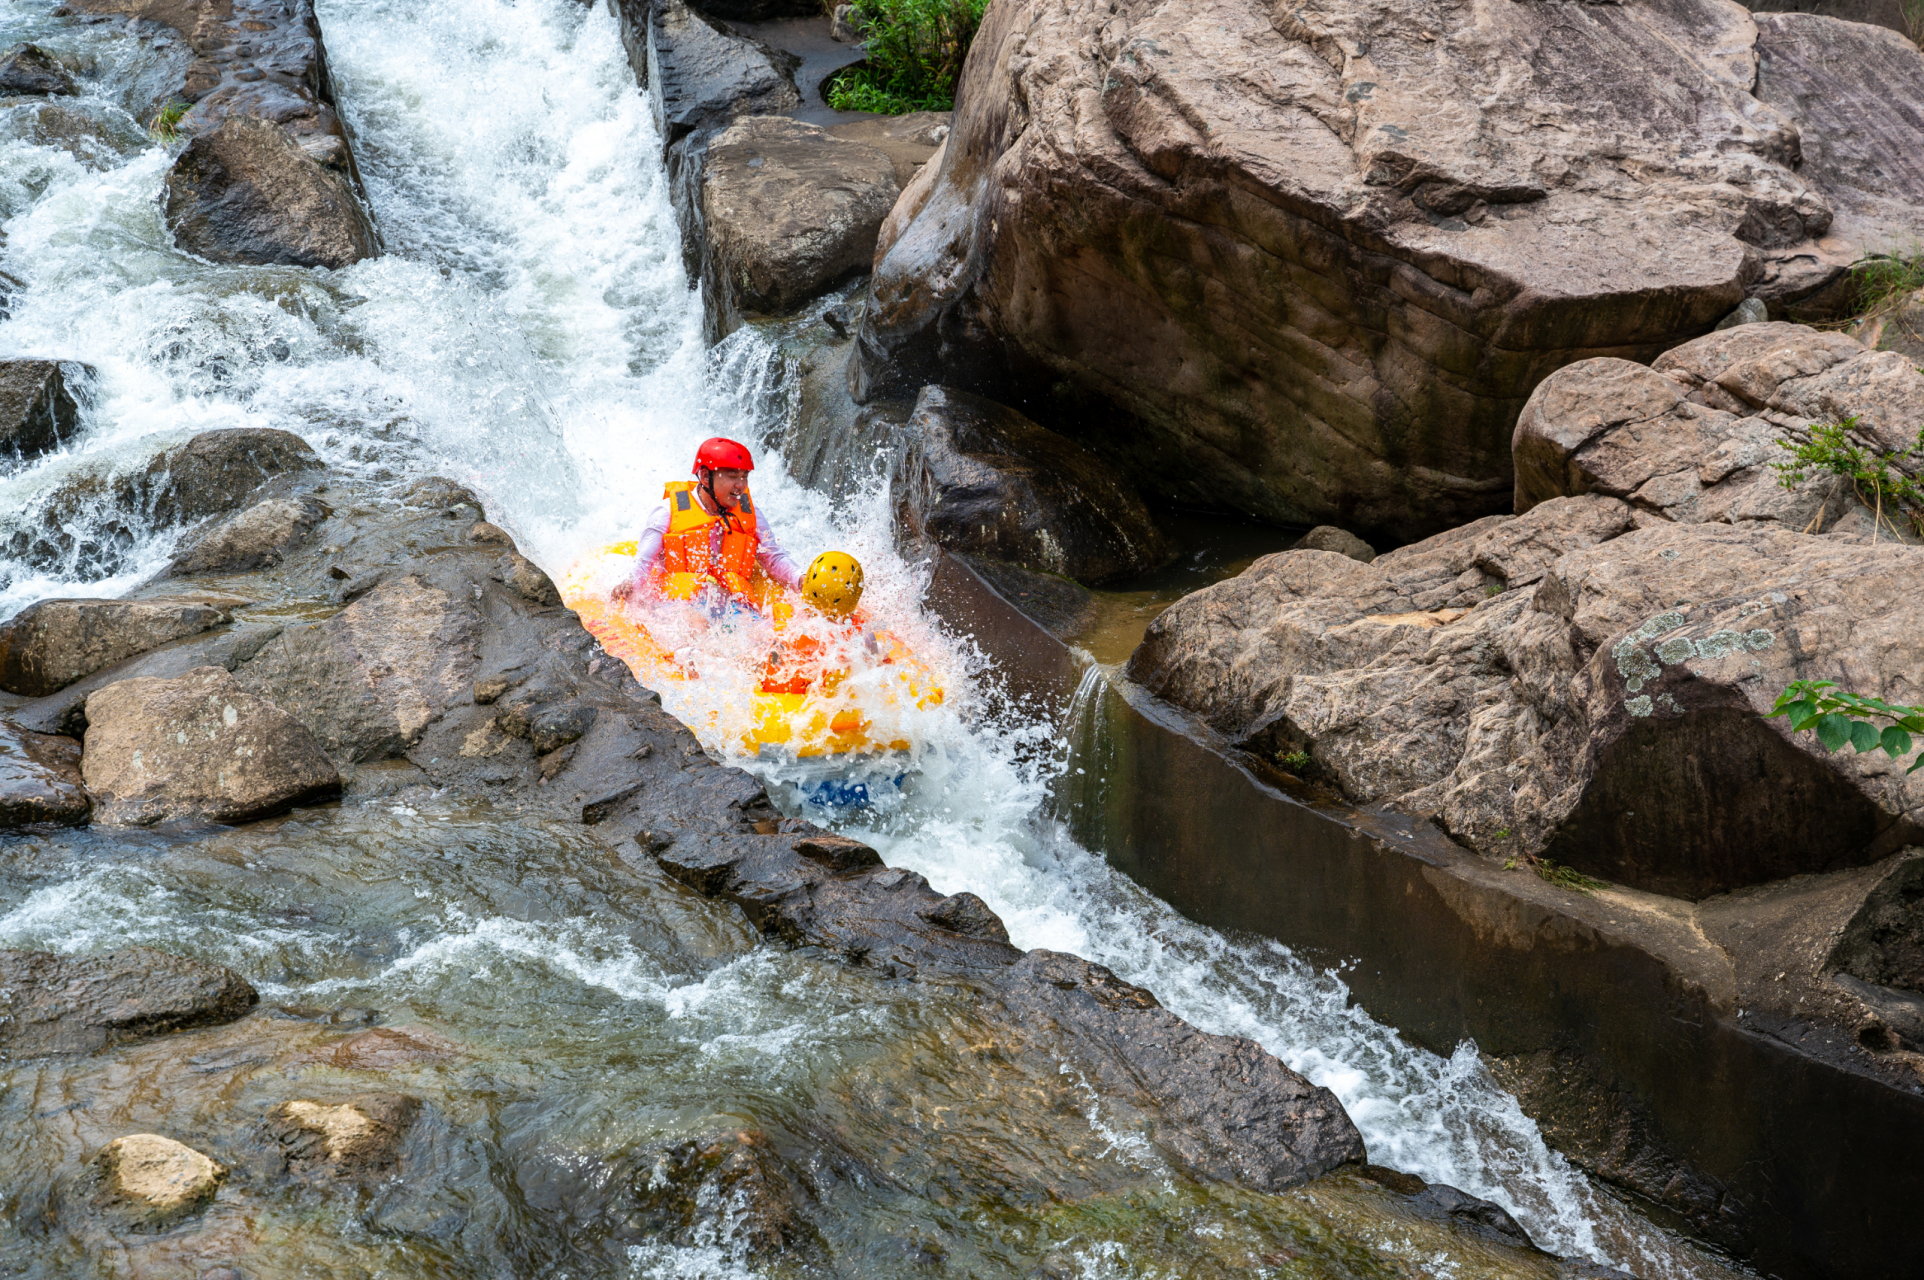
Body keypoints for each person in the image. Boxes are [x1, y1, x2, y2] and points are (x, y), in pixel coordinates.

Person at [619, 437, 802, 608]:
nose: (741, 485)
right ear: (706, 477)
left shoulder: (751, 514)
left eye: (744, 476)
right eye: (732, 476)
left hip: (728, 603)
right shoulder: (666, 512)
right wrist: (628, 583)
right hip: (678, 603)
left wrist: (800, 578)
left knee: (759, 626)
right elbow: (643, 563)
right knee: (705, 602)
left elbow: (774, 558)